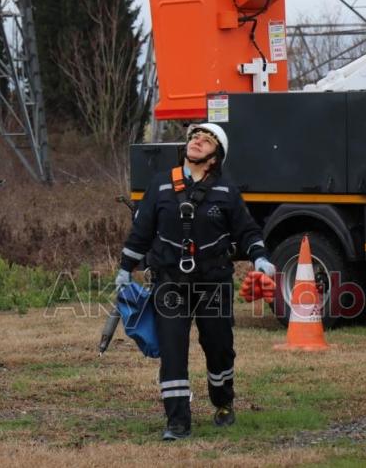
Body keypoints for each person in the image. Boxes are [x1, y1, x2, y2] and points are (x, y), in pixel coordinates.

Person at [115, 122, 276, 441]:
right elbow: (141, 232)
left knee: (219, 349)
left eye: (206, 140)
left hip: (213, 284)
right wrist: (124, 269)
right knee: (172, 350)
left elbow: (248, 232)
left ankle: (223, 402)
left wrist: (260, 257)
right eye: (194, 137)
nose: (198, 141)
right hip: (170, 284)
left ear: (215, 157)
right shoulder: (160, 186)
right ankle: (177, 421)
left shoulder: (226, 192)